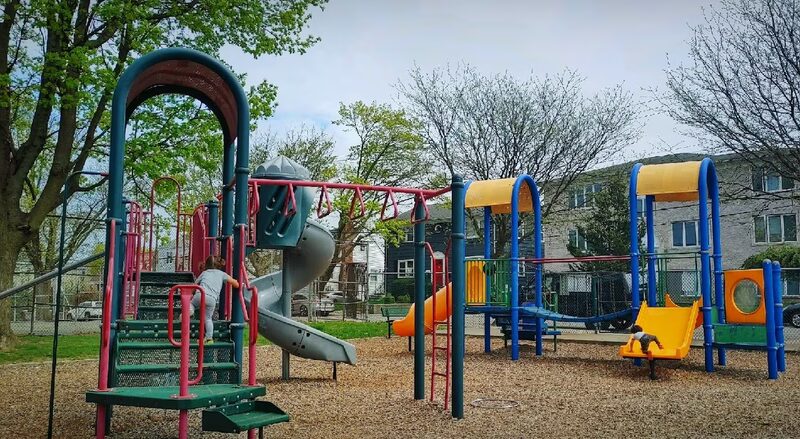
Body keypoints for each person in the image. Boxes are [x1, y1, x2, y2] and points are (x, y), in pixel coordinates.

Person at [188, 255, 239, 343]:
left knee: (192, 304)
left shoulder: (205, 273)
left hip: (200, 294)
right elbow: (236, 284)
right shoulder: (222, 274)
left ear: (206, 264)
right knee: (207, 318)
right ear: (219, 265)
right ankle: (209, 338)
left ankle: (190, 310)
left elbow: (195, 285)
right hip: (212, 299)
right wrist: (239, 284)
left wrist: (190, 294)